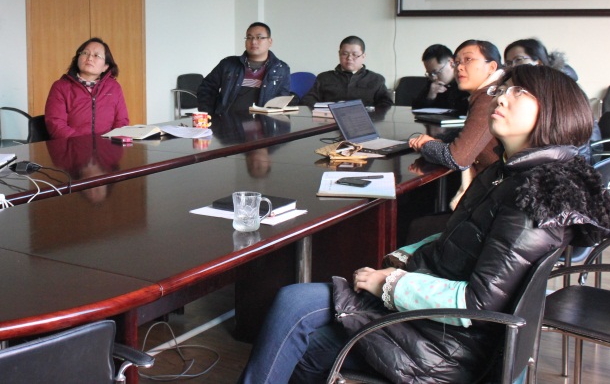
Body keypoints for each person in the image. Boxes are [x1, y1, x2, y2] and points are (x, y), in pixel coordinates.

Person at [239, 65, 610, 384]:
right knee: (293, 303)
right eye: (503, 89)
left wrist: (390, 283)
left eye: (519, 92)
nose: (501, 97)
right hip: (433, 316)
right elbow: (460, 239)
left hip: (446, 345)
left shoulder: (533, 197)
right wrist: (402, 260)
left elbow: (478, 303)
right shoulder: (509, 173)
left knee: (304, 343)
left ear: (554, 110)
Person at [409, 40, 504, 208]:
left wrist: (426, 145)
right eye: (457, 62)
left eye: (468, 60)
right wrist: (441, 142)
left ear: (491, 67)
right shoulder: (487, 92)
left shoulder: (488, 96)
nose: (459, 67)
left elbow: (457, 158)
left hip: (496, 198)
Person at [197, 22, 291, 115]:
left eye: (259, 37)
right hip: (227, 121)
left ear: (270, 42)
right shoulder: (228, 64)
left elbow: (281, 99)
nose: (253, 42)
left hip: (262, 122)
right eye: (249, 37)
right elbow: (206, 88)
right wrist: (209, 114)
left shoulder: (281, 68)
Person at [44, 37, 129, 139]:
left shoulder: (114, 87)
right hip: (71, 146)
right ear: (78, 59)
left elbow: (121, 122)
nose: (90, 58)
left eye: (96, 55)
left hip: (106, 146)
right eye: (85, 53)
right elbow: (56, 124)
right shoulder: (60, 87)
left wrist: (109, 144)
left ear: (105, 67)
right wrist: (83, 143)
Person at [300, 36, 393, 109]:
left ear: (363, 56)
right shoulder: (324, 77)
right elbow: (308, 100)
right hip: (329, 122)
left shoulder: (376, 79)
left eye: (355, 55)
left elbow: (386, 104)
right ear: (339, 54)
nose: (349, 58)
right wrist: (322, 110)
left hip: (363, 122)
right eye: (345, 54)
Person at [411, 44, 469, 114]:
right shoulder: (432, 83)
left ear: (451, 63)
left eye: (436, 72)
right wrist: (430, 97)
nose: (433, 77)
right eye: (429, 74)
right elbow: (415, 109)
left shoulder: (466, 82)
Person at [504, 38, 578, 81]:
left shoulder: (555, 86)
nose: (512, 66)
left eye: (518, 60)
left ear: (539, 62)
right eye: (509, 63)